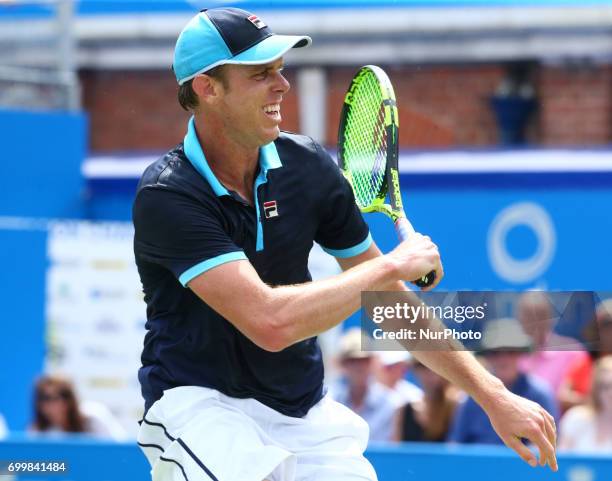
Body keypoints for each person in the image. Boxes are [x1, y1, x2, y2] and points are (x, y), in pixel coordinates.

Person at [133, 7, 557, 481]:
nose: (282, 85)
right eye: (260, 74)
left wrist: (492, 395)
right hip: (200, 407)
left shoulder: (308, 167)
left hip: (302, 410)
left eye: (279, 70)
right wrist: (391, 267)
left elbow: (389, 303)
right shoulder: (168, 196)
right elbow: (271, 322)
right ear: (208, 89)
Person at [449, 318, 558, 445]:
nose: (503, 359)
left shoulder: (540, 394)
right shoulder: (471, 398)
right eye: (495, 353)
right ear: (487, 356)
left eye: (510, 352)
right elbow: (455, 445)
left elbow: (550, 445)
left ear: (520, 354)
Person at [329, 329, 397, 442]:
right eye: (352, 360)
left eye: (364, 360)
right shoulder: (330, 401)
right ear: (343, 365)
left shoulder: (391, 403)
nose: (358, 366)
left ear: (373, 363)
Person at [517, 292, 588, 396]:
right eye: (528, 316)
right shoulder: (509, 355)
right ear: (520, 318)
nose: (534, 322)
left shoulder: (573, 352)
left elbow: (587, 397)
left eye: (540, 315)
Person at [30, 375, 126, 440]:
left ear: (68, 399)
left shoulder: (94, 416)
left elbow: (119, 450)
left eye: (52, 398)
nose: (47, 404)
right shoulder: (39, 431)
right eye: (43, 398)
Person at [558, 299, 612, 411]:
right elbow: (563, 396)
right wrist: (593, 403)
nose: (610, 331)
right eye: (606, 324)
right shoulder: (585, 363)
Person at [393, 360, 459, 443]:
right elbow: (396, 449)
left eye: (437, 366)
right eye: (422, 365)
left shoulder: (459, 408)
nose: (431, 371)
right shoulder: (404, 410)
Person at [558, 355, 612, 453]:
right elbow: (563, 460)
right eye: (605, 386)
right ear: (596, 389)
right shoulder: (575, 418)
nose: (610, 393)